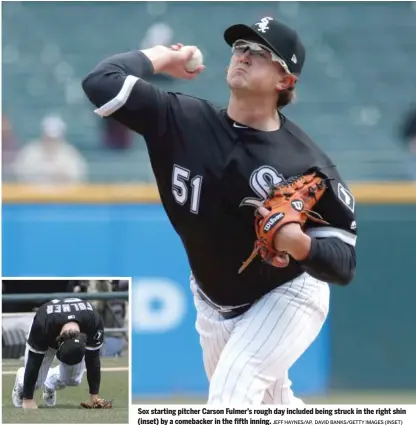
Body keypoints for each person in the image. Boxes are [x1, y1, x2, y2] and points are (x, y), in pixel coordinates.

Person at [82, 16, 357, 405]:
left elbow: (344, 263)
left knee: (231, 396)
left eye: (260, 53)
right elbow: (100, 81)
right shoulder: (181, 119)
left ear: (286, 81)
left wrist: (300, 245)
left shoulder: (307, 164)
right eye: (240, 48)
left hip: (287, 294)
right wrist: (164, 56)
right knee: (270, 407)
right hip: (213, 303)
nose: (244, 56)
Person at [12, 297, 104, 409]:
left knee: (73, 380)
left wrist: (94, 396)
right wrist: (28, 399)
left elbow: (93, 358)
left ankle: (50, 382)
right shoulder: (43, 322)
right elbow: (34, 359)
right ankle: (21, 377)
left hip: (66, 328)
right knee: (35, 383)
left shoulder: (93, 320)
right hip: (47, 337)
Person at [13, 114, 87, 184]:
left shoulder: (70, 154)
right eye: (48, 137)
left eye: (54, 138)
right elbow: (21, 176)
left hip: (63, 195)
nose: (51, 141)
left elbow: (78, 179)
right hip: (33, 195)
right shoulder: (30, 152)